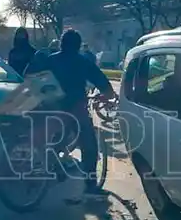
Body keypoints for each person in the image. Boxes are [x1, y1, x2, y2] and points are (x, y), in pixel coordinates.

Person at [27, 29, 116, 198]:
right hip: (75, 108)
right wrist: (107, 95)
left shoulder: (51, 60)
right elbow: (103, 83)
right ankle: (90, 184)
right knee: (88, 144)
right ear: (78, 45)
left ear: (61, 43)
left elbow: (35, 78)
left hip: (53, 107)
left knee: (55, 138)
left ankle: (53, 166)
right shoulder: (82, 62)